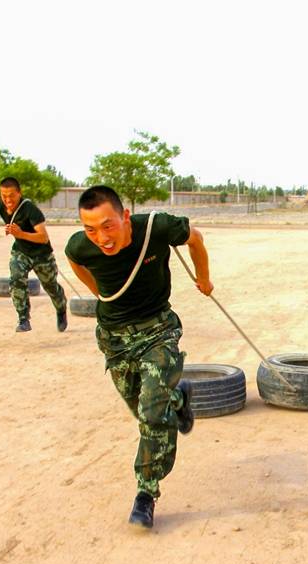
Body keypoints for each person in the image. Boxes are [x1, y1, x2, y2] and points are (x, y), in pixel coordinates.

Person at [65, 185, 213, 529]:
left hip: (158, 330)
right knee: (142, 409)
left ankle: (146, 492)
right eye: (90, 229)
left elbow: (196, 238)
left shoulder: (157, 228)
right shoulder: (80, 245)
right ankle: (178, 399)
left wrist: (203, 277)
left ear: (125, 216)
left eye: (107, 225)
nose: (100, 237)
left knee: (150, 414)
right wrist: (98, 292)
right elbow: (74, 259)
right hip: (114, 340)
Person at [0, 177, 69, 333]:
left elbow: (43, 237)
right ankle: (23, 318)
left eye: (11, 196)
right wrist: (13, 231)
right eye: (4, 196)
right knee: (16, 279)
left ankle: (61, 308)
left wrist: (20, 233)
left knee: (50, 287)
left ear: (19, 193)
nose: (8, 200)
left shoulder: (30, 210)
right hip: (21, 251)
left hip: (41, 254)